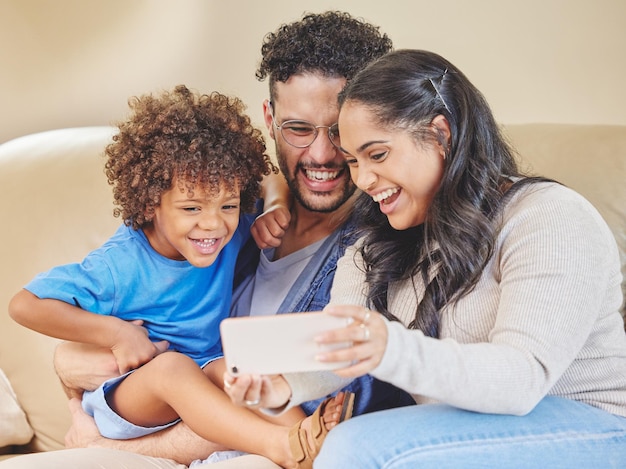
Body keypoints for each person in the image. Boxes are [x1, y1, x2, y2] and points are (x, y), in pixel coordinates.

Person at [0, 11, 411, 469]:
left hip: (227, 432)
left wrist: (106, 448)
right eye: (299, 129)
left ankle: (297, 443)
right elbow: (59, 334)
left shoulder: (384, 249)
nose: (319, 153)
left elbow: (351, 396)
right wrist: (89, 352)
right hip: (153, 396)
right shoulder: (224, 225)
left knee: (232, 372)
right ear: (270, 120)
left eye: (338, 131)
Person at [224, 49, 626, 467]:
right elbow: (337, 353)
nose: (362, 179)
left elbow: (522, 381)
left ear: (440, 134)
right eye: (354, 161)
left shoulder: (548, 216)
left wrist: (390, 348)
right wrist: (282, 387)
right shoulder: (375, 241)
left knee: (357, 446)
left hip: (593, 429)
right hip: (467, 430)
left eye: (377, 155)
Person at [8, 84, 349, 469]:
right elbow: (25, 305)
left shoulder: (228, 230)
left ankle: (311, 441)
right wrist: (117, 334)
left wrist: (271, 206)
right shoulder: (120, 264)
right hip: (133, 395)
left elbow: (273, 179)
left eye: (229, 204)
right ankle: (280, 445)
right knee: (174, 368)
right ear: (152, 204)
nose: (212, 224)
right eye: (190, 207)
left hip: (205, 373)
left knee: (242, 368)